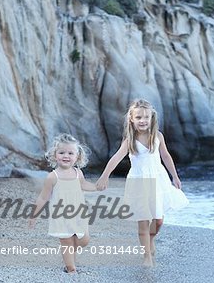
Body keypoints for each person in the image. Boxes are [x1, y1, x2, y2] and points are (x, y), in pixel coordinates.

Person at [96, 99, 189, 267]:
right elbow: (116, 158)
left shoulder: (157, 136)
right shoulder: (130, 140)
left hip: (158, 180)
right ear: (131, 119)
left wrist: (175, 176)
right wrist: (105, 176)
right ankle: (146, 256)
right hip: (139, 181)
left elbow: (166, 157)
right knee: (143, 219)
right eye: (138, 117)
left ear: (152, 117)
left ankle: (150, 239)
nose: (142, 120)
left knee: (158, 220)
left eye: (146, 117)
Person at [29, 133, 97, 273]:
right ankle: (70, 268)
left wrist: (97, 187)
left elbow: (84, 185)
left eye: (70, 153)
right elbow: (43, 197)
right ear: (55, 155)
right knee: (66, 242)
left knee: (84, 240)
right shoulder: (53, 177)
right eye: (62, 152)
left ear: (77, 156)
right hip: (61, 216)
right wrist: (34, 215)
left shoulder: (78, 173)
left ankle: (69, 256)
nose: (66, 156)